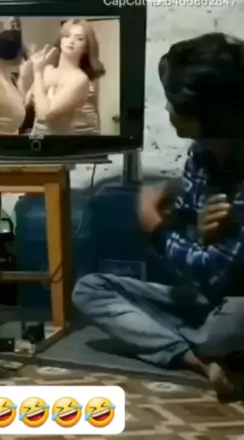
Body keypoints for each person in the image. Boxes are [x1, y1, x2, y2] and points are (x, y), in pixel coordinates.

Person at [72, 32, 244, 401]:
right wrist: (193, 230)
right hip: (210, 299)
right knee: (90, 290)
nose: (166, 109)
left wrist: (155, 227)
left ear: (206, 112)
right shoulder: (201, 154)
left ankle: (213, 348)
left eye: (173, 102)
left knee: (229, 325)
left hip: (235, 304)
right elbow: (198, 252)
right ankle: (203, 360)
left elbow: (212, 268)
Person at [28, 19, 105, 135]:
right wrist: (25, 74)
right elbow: (27, 102)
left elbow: (44, 114)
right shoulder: (47, 70)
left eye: (79, 38)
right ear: (60, 40)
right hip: (37, 137)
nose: (71, 41)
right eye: (67, 36)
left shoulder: (80, 78)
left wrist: (38, 72)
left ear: (86, 47)